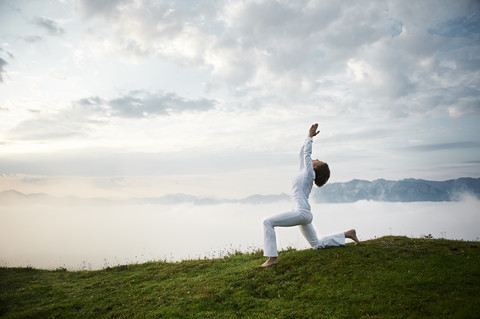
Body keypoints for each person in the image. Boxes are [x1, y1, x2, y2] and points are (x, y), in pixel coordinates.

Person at [259, 123, 360, 268]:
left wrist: (310, 137)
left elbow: (307, 154)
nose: (316, 158)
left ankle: (273, 258)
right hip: (304, 214)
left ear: (316, 167)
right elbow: (302, 154)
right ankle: (347, 234)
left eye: (318, 160)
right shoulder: (305, 173)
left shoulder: (308, 173)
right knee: (317, 245)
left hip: (301, 213)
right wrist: (307, 138)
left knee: (267, 222)